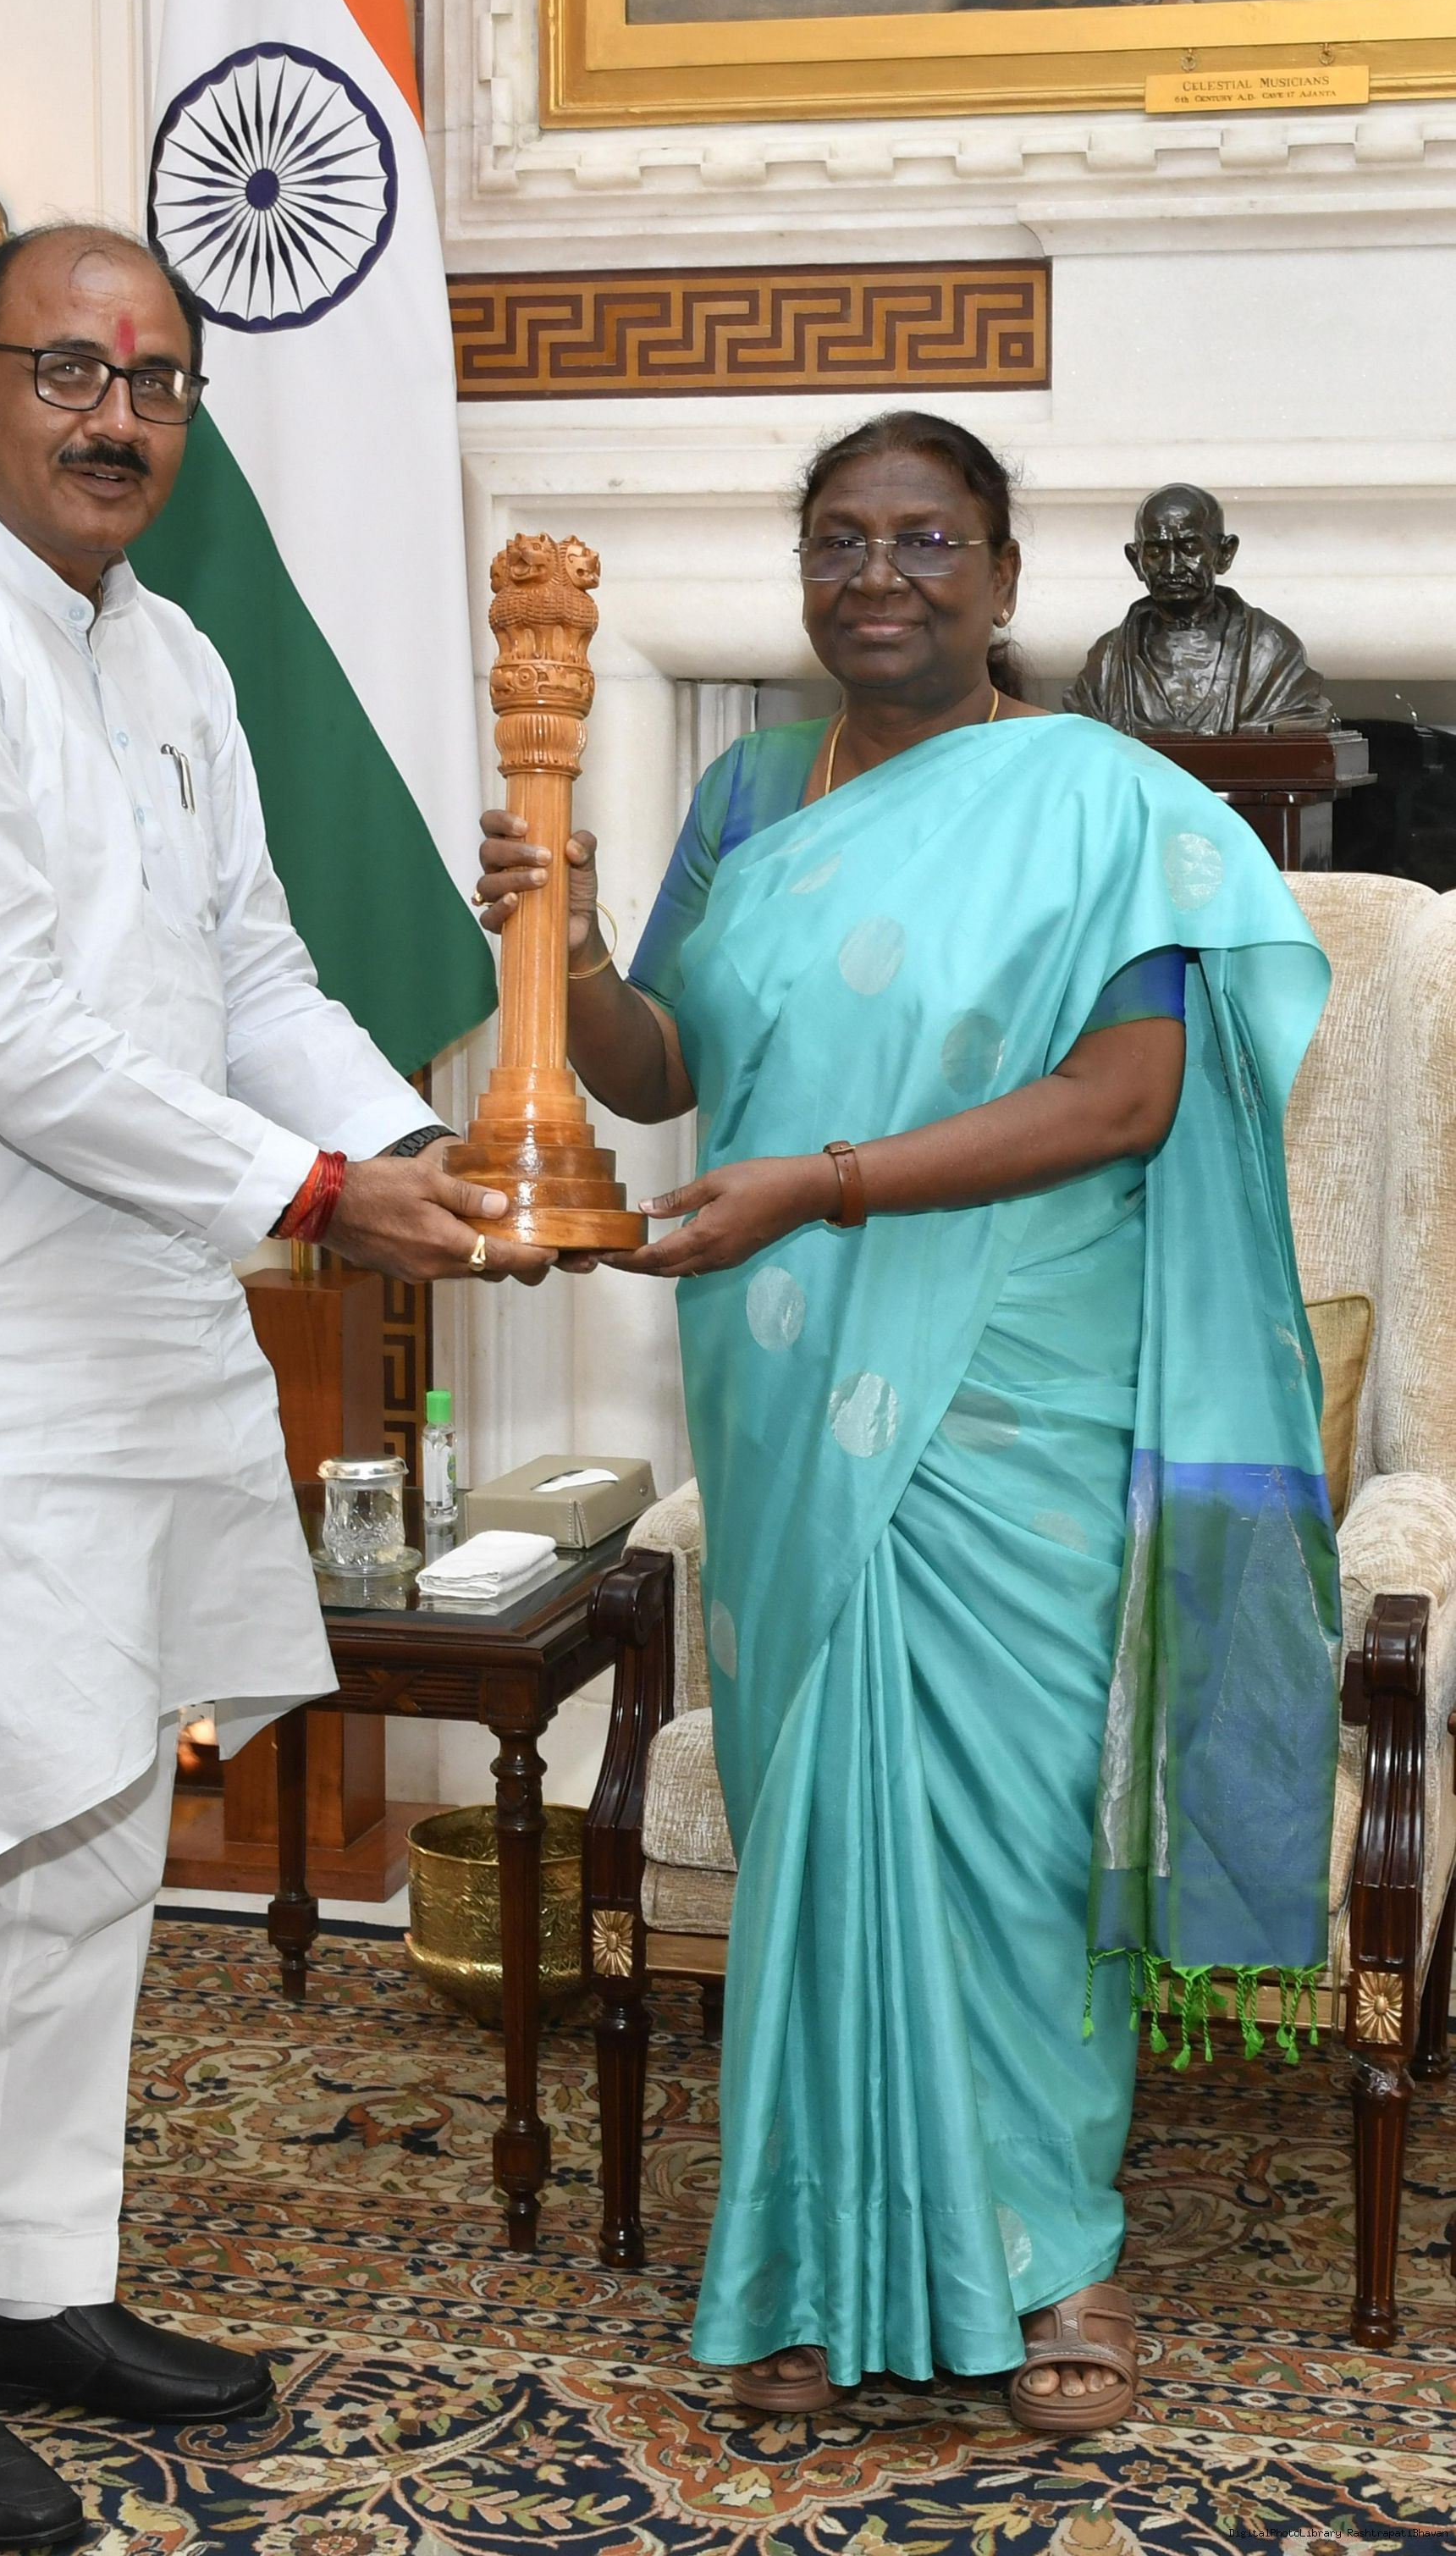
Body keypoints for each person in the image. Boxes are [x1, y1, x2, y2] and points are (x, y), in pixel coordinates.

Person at [0, 223, 540, 2552]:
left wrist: (414, 1150)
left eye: (158, 380)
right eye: (68, 371)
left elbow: (252, 969)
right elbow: (1, 1035)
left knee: (94, 1829)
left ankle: (23, 2281)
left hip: (137, 1338)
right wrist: (320, 1194)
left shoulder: (170, 650)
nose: (117, 417)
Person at [477, 411, 1339, 2430]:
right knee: (819, 1819)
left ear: (1002, 575)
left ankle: (1054, 2260)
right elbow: (662, 1061)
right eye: (841, 541)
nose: (878, 575)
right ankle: (802, 2259)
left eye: (926, 539)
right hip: (788, 1372)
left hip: (1017, 1375)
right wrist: (565, 938)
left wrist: (830, 1180)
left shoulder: (1104, 801)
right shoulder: (746, 793)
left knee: (1017, 1833)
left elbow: (1123, 1095)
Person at [1067, 483, 1334, 736]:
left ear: (1224, 553)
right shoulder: (1107, 660)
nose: (1172, 568)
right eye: (1156, 552)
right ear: (1136, 561)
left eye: (1189, 549)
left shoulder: (1270, 649)